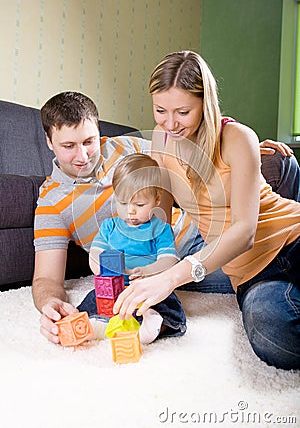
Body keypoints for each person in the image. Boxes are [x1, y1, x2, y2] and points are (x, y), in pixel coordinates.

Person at [32, 91, 298, 347]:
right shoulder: (51, 203)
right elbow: (46, 279)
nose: (82, 156)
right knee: (264, 289)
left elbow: (195, 151)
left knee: (282, 164)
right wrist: (50, 305)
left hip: (199, 235)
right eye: (68, 146)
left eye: (89, 141)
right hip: (159, 267)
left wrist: (246, 151)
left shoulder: (128, 147)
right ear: (49, 141)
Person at [113, 51, 300, 370]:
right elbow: (162, 216)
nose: (170, 123)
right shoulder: (162, 141)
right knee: (272, 335)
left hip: (292, 239)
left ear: (205, 104)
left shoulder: (236, 138)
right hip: (254, 276)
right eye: (160, 110)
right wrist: (153, 263)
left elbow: (245, 232)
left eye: (183, 112)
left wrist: (173, 276)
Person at [78, 153, 186, 343]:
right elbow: (95, 253)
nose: (130, 211)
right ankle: (99, 323)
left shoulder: (161, 229)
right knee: (92, 299)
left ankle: (153, 325)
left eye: (139, 204)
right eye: (123, 202)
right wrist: (104, 271)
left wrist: (149, 271)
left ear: (157, 199)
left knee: (169, 305)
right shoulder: (109, 226)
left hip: (147, 287)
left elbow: (169, 260)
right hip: (114, 286)